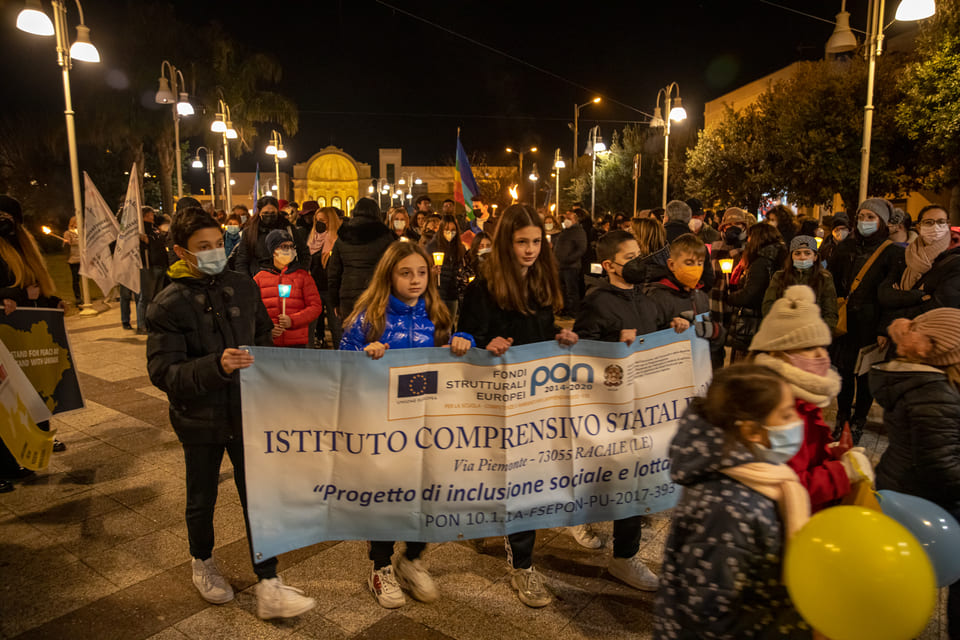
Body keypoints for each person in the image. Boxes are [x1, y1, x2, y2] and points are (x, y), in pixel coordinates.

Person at [145, 207, 316, 619]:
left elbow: (259, 336)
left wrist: (270, 358)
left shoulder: (242, 285)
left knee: (257, 496)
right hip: (199, 418)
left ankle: (268, 580)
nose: (213, 252)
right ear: (181, 252)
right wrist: (215, 367)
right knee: (201, 496)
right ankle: (202, 562)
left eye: (217, 244)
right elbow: (163, 372)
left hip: (247, 412)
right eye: (202, 247)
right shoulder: (167, 303)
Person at [339, 241, 474, 608]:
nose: (415, 280)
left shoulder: (437, 314)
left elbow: (454, 352)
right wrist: (364, 357)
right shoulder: (369, 318)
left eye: (421, 272)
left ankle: (412, 559)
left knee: (426, 495)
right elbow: (341, 367)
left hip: (428, 424)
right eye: (405, 272)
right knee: (386, 496)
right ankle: (380, 567)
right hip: (383, 424)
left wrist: (466, 341)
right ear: (389, 275)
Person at [458, 203, 578, 608]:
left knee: (526, 480)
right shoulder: (482, 286)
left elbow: (540, 331)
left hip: (535, 399)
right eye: (521, 242)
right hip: (494, 398)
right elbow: (464, 339)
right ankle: (490, 527)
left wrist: (560, 339)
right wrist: (483, 343)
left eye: (536, 241)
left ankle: (521, 565)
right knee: (499, 475)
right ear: (506, 243)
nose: (530, 249)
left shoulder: (544, 280)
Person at [654, 363, 813, 639]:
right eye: (786, 414)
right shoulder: (728, 507)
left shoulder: (752, 475)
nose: (795, 422)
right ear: (751, 431)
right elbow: (709, 612)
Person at [571, 230, 689, 586]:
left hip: (643, 407)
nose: (638, 264)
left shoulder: (649, 300)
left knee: (631, 480)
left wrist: (675, 329)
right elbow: (582, 355)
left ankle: (625, 556)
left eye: (640, 255)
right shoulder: (597, 302)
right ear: (608, 265)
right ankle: (580, 514)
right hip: (608, 409)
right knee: (601, 475)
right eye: (630, 258)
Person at [872, 307, 960, 638]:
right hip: (926, 500)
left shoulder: (924, 384)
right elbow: (940, 466)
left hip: (905, 484)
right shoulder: (936, 393)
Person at [750, 285, 874, 512]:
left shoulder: (802, 396)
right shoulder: (779, 409)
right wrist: (843, 472)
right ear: (777, 352)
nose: (820, 355)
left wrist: (832, 454)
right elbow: (787, 487)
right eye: (808, 347)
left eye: (822, 346)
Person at [0, 195, 67, 491]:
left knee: (29, 397)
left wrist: (55, 301)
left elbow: (34, 288)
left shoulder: (24, 250)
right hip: (3, 335)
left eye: (6, 216)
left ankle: (26, 451)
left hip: (23, 335)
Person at [829, 198, 905, 443]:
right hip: (845, 323)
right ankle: (842, 418)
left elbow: (893, 294)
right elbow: (832, 283)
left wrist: (884, 328)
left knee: (865, 376)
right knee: (843, 373)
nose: (865, 222)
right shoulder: (844, 248)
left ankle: (858, 421)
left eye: (870, 218)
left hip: (871, 324)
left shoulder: (892, 252)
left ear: (882, 221)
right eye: (861, 217)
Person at [642, 234, 724, 350]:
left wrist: (715, 333)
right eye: (689, 263)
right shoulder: (656, 297)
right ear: (671, 265)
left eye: (700, 263)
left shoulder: (701, 297)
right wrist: (669, 329)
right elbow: (645, 341)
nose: (695, 268)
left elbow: (713, 346)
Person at [879, 204, 960, 322]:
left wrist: (894, 315)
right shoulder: (905, 255)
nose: (935, 227)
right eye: (928, 222)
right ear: (918, 226)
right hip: (899, 334)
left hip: (931, 334)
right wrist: (918, 296)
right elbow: (885, 295)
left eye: (941, 222)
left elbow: (938, 307)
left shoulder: (954, 260)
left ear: (948, 226)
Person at [328, 197, 395, 321]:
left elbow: (334, 273)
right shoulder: (385, 236)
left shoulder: (342, 237)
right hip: (376, 293)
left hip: (348, 294)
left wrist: (335, 302)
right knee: (376, 334)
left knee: (351, 334)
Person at [253, 229, 323, 348]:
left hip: (296, 342)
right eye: (284, 246)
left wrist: (293, 320)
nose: (289, 250)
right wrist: (267, 327)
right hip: (269, 343)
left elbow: (315, 307)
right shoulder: (259, 278)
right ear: (273, 251)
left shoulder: (303, 276)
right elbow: (252, 309)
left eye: (291, 246)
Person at [725, 223, 785, 358]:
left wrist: (730, 297)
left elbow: (750, 294)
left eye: (750, 237)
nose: (747, 240)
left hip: (752, 324)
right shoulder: (779, 256)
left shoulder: (761, 262)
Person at [762, 235, 838, 328]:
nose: (802, 257)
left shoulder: (824, 278)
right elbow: (768, 305)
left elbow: (830, 312)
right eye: (797, 253)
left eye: (807, 253)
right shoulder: (780, 276)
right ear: (791, 257)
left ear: (815, 257)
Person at [230, 196, 309, 278]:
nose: (269, 216)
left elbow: (304, 253)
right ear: (259, 212)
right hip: (258, 279)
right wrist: (248, 282)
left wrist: (301, 273)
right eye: (266, 213)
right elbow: (242, 261)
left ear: (277, 212)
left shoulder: (288, 229)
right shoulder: (250, 232)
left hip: (285, 278)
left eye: (272, 213)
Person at [308, 206, 342, 348]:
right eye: (317, 220)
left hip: (331, 289)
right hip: (314, 287)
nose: (319, 223)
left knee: (336, 326)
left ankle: (341, 356)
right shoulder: (312, 240)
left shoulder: (338, 241)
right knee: (311, 325)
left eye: (323, 221)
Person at [425, 214, 464, 317]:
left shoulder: (459, 248)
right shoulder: (432, 246)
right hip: (438, 292)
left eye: (453, 230)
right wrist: (432, 272)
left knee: (450, 323)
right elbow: (425, 269)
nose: (450, 233)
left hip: (453, 293)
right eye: (447, 229)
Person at [553, 208, 587, 317]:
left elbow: (581, 249)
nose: (566, 220)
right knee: (563, 290)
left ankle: (574, 312)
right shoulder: (566, 231)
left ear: (575, 220)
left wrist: (568, 259)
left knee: (571, 291)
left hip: (571, 266)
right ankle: (566, 309)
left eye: (569, 218)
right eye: (566, 218)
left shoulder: (578, 231)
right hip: (561, 266)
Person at [456, 231, 491, 305]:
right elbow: (461, 283)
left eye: (488, 246)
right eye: (481, 246)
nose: (485, 249)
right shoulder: (467, 261)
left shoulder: (496, 263)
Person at [62, 216, 81, 303]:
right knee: (76, 279)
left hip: (83, 259)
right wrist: (67, 243)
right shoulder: (68, 233)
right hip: (73, 259)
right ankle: (78, 298)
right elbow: (66, 245)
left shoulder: (82, 232)